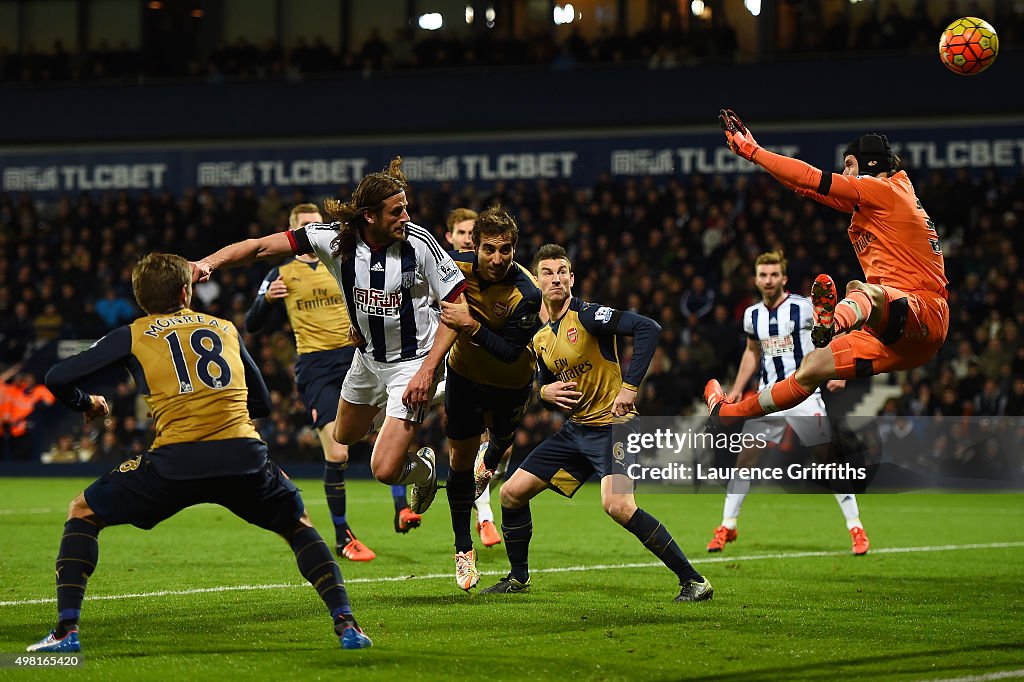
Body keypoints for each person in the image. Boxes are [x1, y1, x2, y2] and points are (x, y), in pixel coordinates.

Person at [28, 253, 371, 653]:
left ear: (140, 297)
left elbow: (56, 377)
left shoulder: (133, 334)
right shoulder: (224, 328)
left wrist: (86, 402)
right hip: (243, 457)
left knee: (82, 512)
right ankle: (347, 625)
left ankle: (67, 632)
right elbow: (260, 403)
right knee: (298, 525)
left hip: (175, 463)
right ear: (185, 291)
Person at [191, 158, 467, 516]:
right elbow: (260, 247)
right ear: (369, 216)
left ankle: (424, 468)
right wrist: (207, 263)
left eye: (406, 209)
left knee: (383, 470)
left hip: (412, 364)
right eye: (397, 212)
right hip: (367, 360)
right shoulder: (334, 239)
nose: (406, 218)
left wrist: (428, 369)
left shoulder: (420, 244)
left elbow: (457, 310)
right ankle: (410, 406)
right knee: (344, 436)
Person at [480, 244, 713, 602]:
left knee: (617, 506)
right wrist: (545, 394)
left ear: (572, 279)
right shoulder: (541, 337)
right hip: (577, 432)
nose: (555, 278)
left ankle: (694, 580)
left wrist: (630, 387)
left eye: (562, 272)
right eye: (547, 272)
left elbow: (648, 328)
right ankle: (518, 577)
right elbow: (542, 384)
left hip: (613, 426)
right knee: (511, 493)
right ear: (537, 281)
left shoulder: (588, 316)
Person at [706, 110, 949, 445]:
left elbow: (812, 177)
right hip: (897, 336)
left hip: (923, 310)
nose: (843, 174)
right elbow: (806, 188)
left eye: (847, 167)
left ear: (863, 165)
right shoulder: (884, 198)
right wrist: (755, 154)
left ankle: (831, 324)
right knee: (813, 366)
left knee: (862, 290)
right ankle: (727, 416)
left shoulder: (885, 190)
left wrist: (753, 152)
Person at [245, 204, 416, 561]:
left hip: (357, 357)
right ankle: (343, 537)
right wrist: (265, 299)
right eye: (304, 226)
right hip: (316, 366)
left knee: (389, 428)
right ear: (292, 229)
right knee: (337, 451)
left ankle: (401, 508)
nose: (312, 231)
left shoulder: (340, 260)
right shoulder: (282, 272)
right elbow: (252, 323)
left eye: (316, 226)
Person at [705, 251, 869, 556]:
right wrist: (738, 389)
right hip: (768, 397)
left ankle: (856, 527)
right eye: (763, 275)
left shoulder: (805, 307)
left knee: (827, 461)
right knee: (745, 459)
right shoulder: (751, 315)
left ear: (784, 278)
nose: (768, 280)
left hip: (805, 396)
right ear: (755, 279)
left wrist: (840, 370)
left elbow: (837, 329)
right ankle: (727, 525)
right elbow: (752, 352)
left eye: (774, 275)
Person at [436, 206, 542, 590]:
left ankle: (493, 458)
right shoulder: (452, 268)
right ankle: (464, 550)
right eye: (490, 250)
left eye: (506, 250)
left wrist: (471, 326)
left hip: (511, 383)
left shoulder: (527, 292)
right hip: (464, 377)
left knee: (500, 441)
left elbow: (510, 351)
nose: (498, 259)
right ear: (474, 247)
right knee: (460, 462)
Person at [442, 206, 504, 552]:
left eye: (472, 234)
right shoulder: (440, 268)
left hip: (471, 369)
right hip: (437, 369)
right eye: (462, 234)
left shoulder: (490, 276)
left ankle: (482, 517)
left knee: (486, 450)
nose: (467, 239)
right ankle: (482, 519)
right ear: (450, 238)